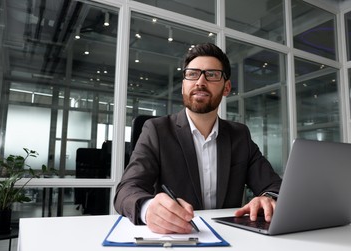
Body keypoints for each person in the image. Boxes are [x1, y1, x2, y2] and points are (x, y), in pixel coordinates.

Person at [114, 42, 282, 234]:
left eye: (211, 75)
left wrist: (268, 198)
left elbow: (274, 185)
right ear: (183, 85)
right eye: (192, 74)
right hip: (177, 241)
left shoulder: (240, 136)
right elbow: (126, 190)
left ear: (226, 88)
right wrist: (148, 208)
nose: (200, 82)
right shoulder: (156, 130)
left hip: (232, 240)